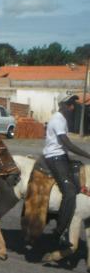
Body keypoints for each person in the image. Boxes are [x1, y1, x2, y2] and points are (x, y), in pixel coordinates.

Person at [43, 94, 90, 246]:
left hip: (62, 156)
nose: (72, 107)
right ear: (62, 105)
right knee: (69, 193)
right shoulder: (57, 119)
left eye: (73, 104)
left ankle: (67, 217)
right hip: (54, 157)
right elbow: (67, 143)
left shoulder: (63, 119)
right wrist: (87, 154)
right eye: (70, 104)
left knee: (78, 176)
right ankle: (59, 231)